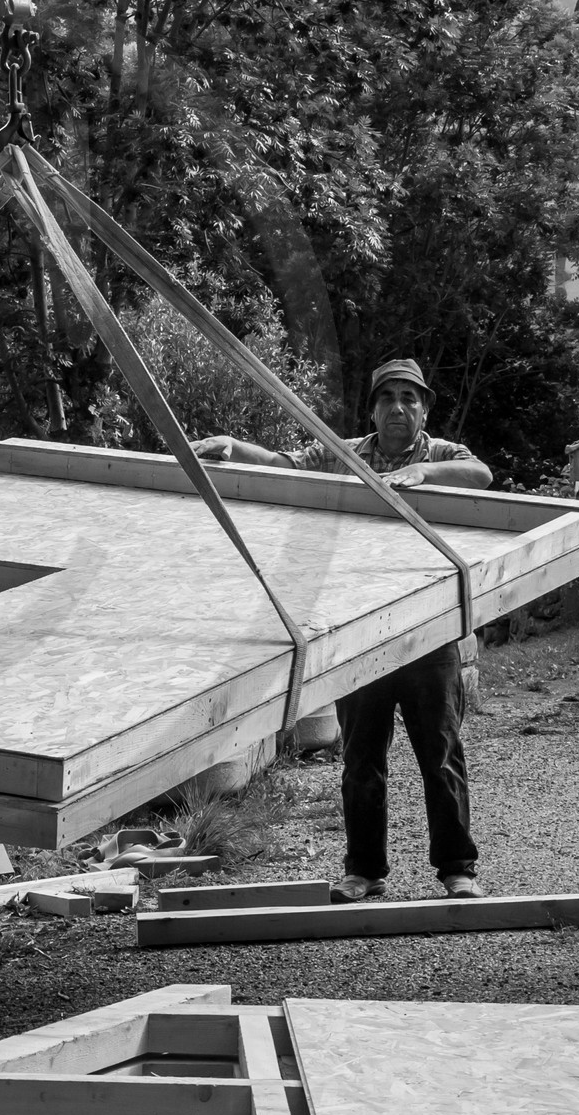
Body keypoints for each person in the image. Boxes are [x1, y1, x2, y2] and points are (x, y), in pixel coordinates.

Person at [192, 359, 492, 902]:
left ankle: (456, 868)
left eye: (409, 398)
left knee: (441, 754)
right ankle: (365, 871)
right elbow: (286, 463)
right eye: (387, 398)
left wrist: (422, 475)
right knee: (360, 759)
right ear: (373, 408)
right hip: (363, 631)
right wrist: (235, 447)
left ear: (423, 408)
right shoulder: (345, 452)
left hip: (431, 630)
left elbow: (482, 475)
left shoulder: (443, 454)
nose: (398, 407)